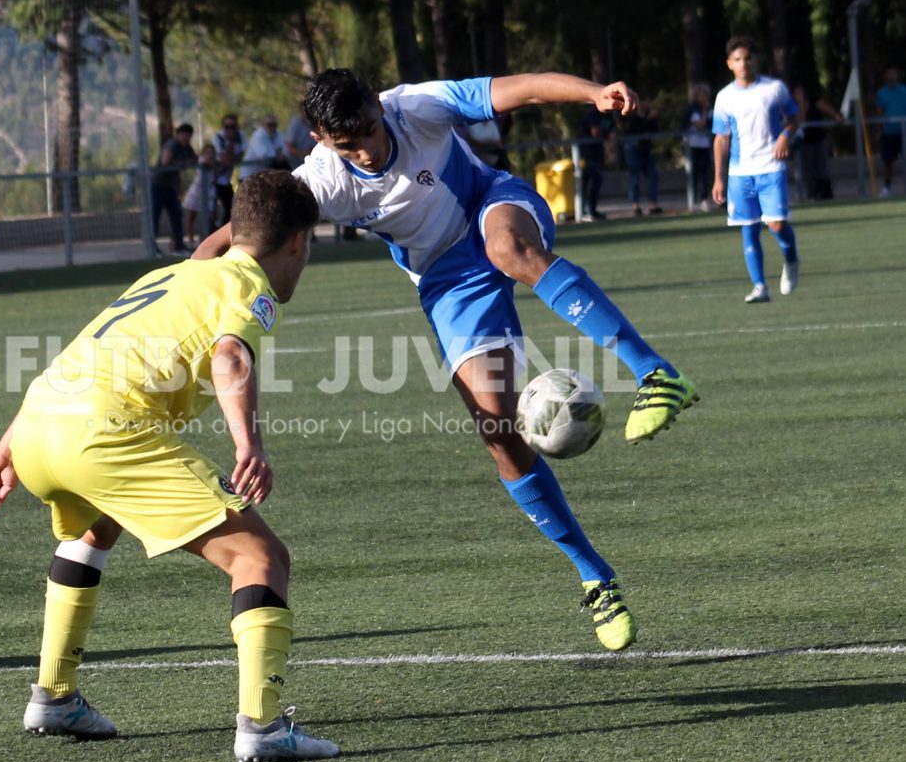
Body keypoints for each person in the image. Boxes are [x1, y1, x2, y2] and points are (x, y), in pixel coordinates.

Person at [195, 68, 700, 652]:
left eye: (367, 129)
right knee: (500, 434)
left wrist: (595, 92)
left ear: (376, 107)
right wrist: (184, 283)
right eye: (345, 141)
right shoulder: (320, 182)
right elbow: (238, 235)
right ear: (319, 136)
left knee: (508, 248)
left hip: (495, 206)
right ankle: (594, 575)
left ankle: (656, 374)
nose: (364, 147)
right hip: (447, 282)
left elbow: (525, 87)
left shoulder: (416, 107)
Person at [0, 170, 340, 762]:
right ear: (298, 242)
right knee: (260, 558)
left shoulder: (169, 274)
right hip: (103, 434)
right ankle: (263, 729)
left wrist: (7, 447)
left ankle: (54, 695)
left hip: (39, 423)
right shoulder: (250, 289)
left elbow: (79, 357)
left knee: (97, 528)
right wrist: (249, 446)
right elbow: (228, 355)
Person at [712, 36, 801, 303]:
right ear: (729, 64)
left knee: (776, 224)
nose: (743, 64)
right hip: (740, 174)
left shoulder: (774, 89)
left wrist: (786, 135)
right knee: (748, 228)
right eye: (737, 59)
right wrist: (718, 178)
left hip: (770, 167)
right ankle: (760, 285)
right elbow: (721, 138)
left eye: (748, 58)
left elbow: (794, 118)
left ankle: (791, 258)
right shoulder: (724, 97)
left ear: (756, 60)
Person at [150, 123, 198, 254]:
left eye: (189, 136)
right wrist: (182, 163)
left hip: (171, 188)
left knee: (176, 215)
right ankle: (152, 247)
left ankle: (179, 245)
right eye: (184, 135)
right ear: (179, 134)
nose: (186, 138)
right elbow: (166, 161)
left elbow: (195, 159)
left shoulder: (186, 147)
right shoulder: (172, 144)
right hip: (157, 186)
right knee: (154, 218)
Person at [792, 84, 843, 201]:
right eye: (796, 92)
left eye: (801, 92)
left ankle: (825, 193)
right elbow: (800, 119)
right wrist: (800, 104)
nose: (799, 95)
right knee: (807, 169)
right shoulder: (793, 106)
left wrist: (836, 116)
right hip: (804, 142)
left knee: (821, 168)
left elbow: (828, 109)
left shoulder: (815, 102)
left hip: (819, 139)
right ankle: (811, 193)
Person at [623, 98, 663, 215]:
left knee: (652, 176)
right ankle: (636, 205)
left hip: (646, 149)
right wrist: (648, 120)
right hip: (633, 149)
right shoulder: (631, 115)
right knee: (634, 177)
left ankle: (653, 204)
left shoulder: (648, 115)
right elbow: (634, 129)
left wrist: (652, 119)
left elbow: (655, 130)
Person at [578, 105, 615, 221]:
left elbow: (612, 133)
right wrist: (606, 134)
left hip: (597, 153)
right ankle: (582, 211)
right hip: (586, 154)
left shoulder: (610, 115)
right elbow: (595, 132)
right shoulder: (593, 114)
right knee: (584, 183)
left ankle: (592, 211)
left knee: (597, 181)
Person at [875, 66, 906, 197]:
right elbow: (879, 113)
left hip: (903, 132)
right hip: (889, 132)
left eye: (894, 73)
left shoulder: (904, 90)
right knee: (888, 162)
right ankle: (887, 188)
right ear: (886, 76)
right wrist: (878, 130)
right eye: (889, 74)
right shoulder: (882, 93)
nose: (892, 76)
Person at [213, 114, 247, 225]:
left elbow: (239, 157)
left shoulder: (241, 136)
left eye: (233, 127)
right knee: (212, 210)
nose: (230, 130)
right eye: (227, 127)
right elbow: (226, 159)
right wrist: (230, 142)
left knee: (231, 208)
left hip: (226, 179)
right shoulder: (218, 137)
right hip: (215, 179)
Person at [684, 83, 714, 211]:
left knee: (705, 173)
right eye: (703, 95)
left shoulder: (710, 109)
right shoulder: (694, 109)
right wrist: (706, 113)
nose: (706, 98)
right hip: (692, 146)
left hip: (705, 145)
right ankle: (693, 201)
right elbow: (700, 124)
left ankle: (704, 200)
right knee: (694, 174)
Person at [183, 143, 217, 243]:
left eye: (211, 153)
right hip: (197, 190)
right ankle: (190, 237)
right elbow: (206, 163)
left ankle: (205, 237)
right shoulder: (202, 160)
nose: (209, 155)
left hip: (208, 192)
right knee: (191, 215)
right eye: (207, 152)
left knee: (211, 216)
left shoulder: (215, 162)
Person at [240, 114, 290, 182]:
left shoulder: (278, 134)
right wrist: (278, 154)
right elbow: (263, 155)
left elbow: (285, 151)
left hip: (262, 177)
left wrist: (280, 155)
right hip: (248, 177)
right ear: (264, 125)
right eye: (269, 125)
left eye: (274, 125)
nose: (272, 127)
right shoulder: (258, 136)